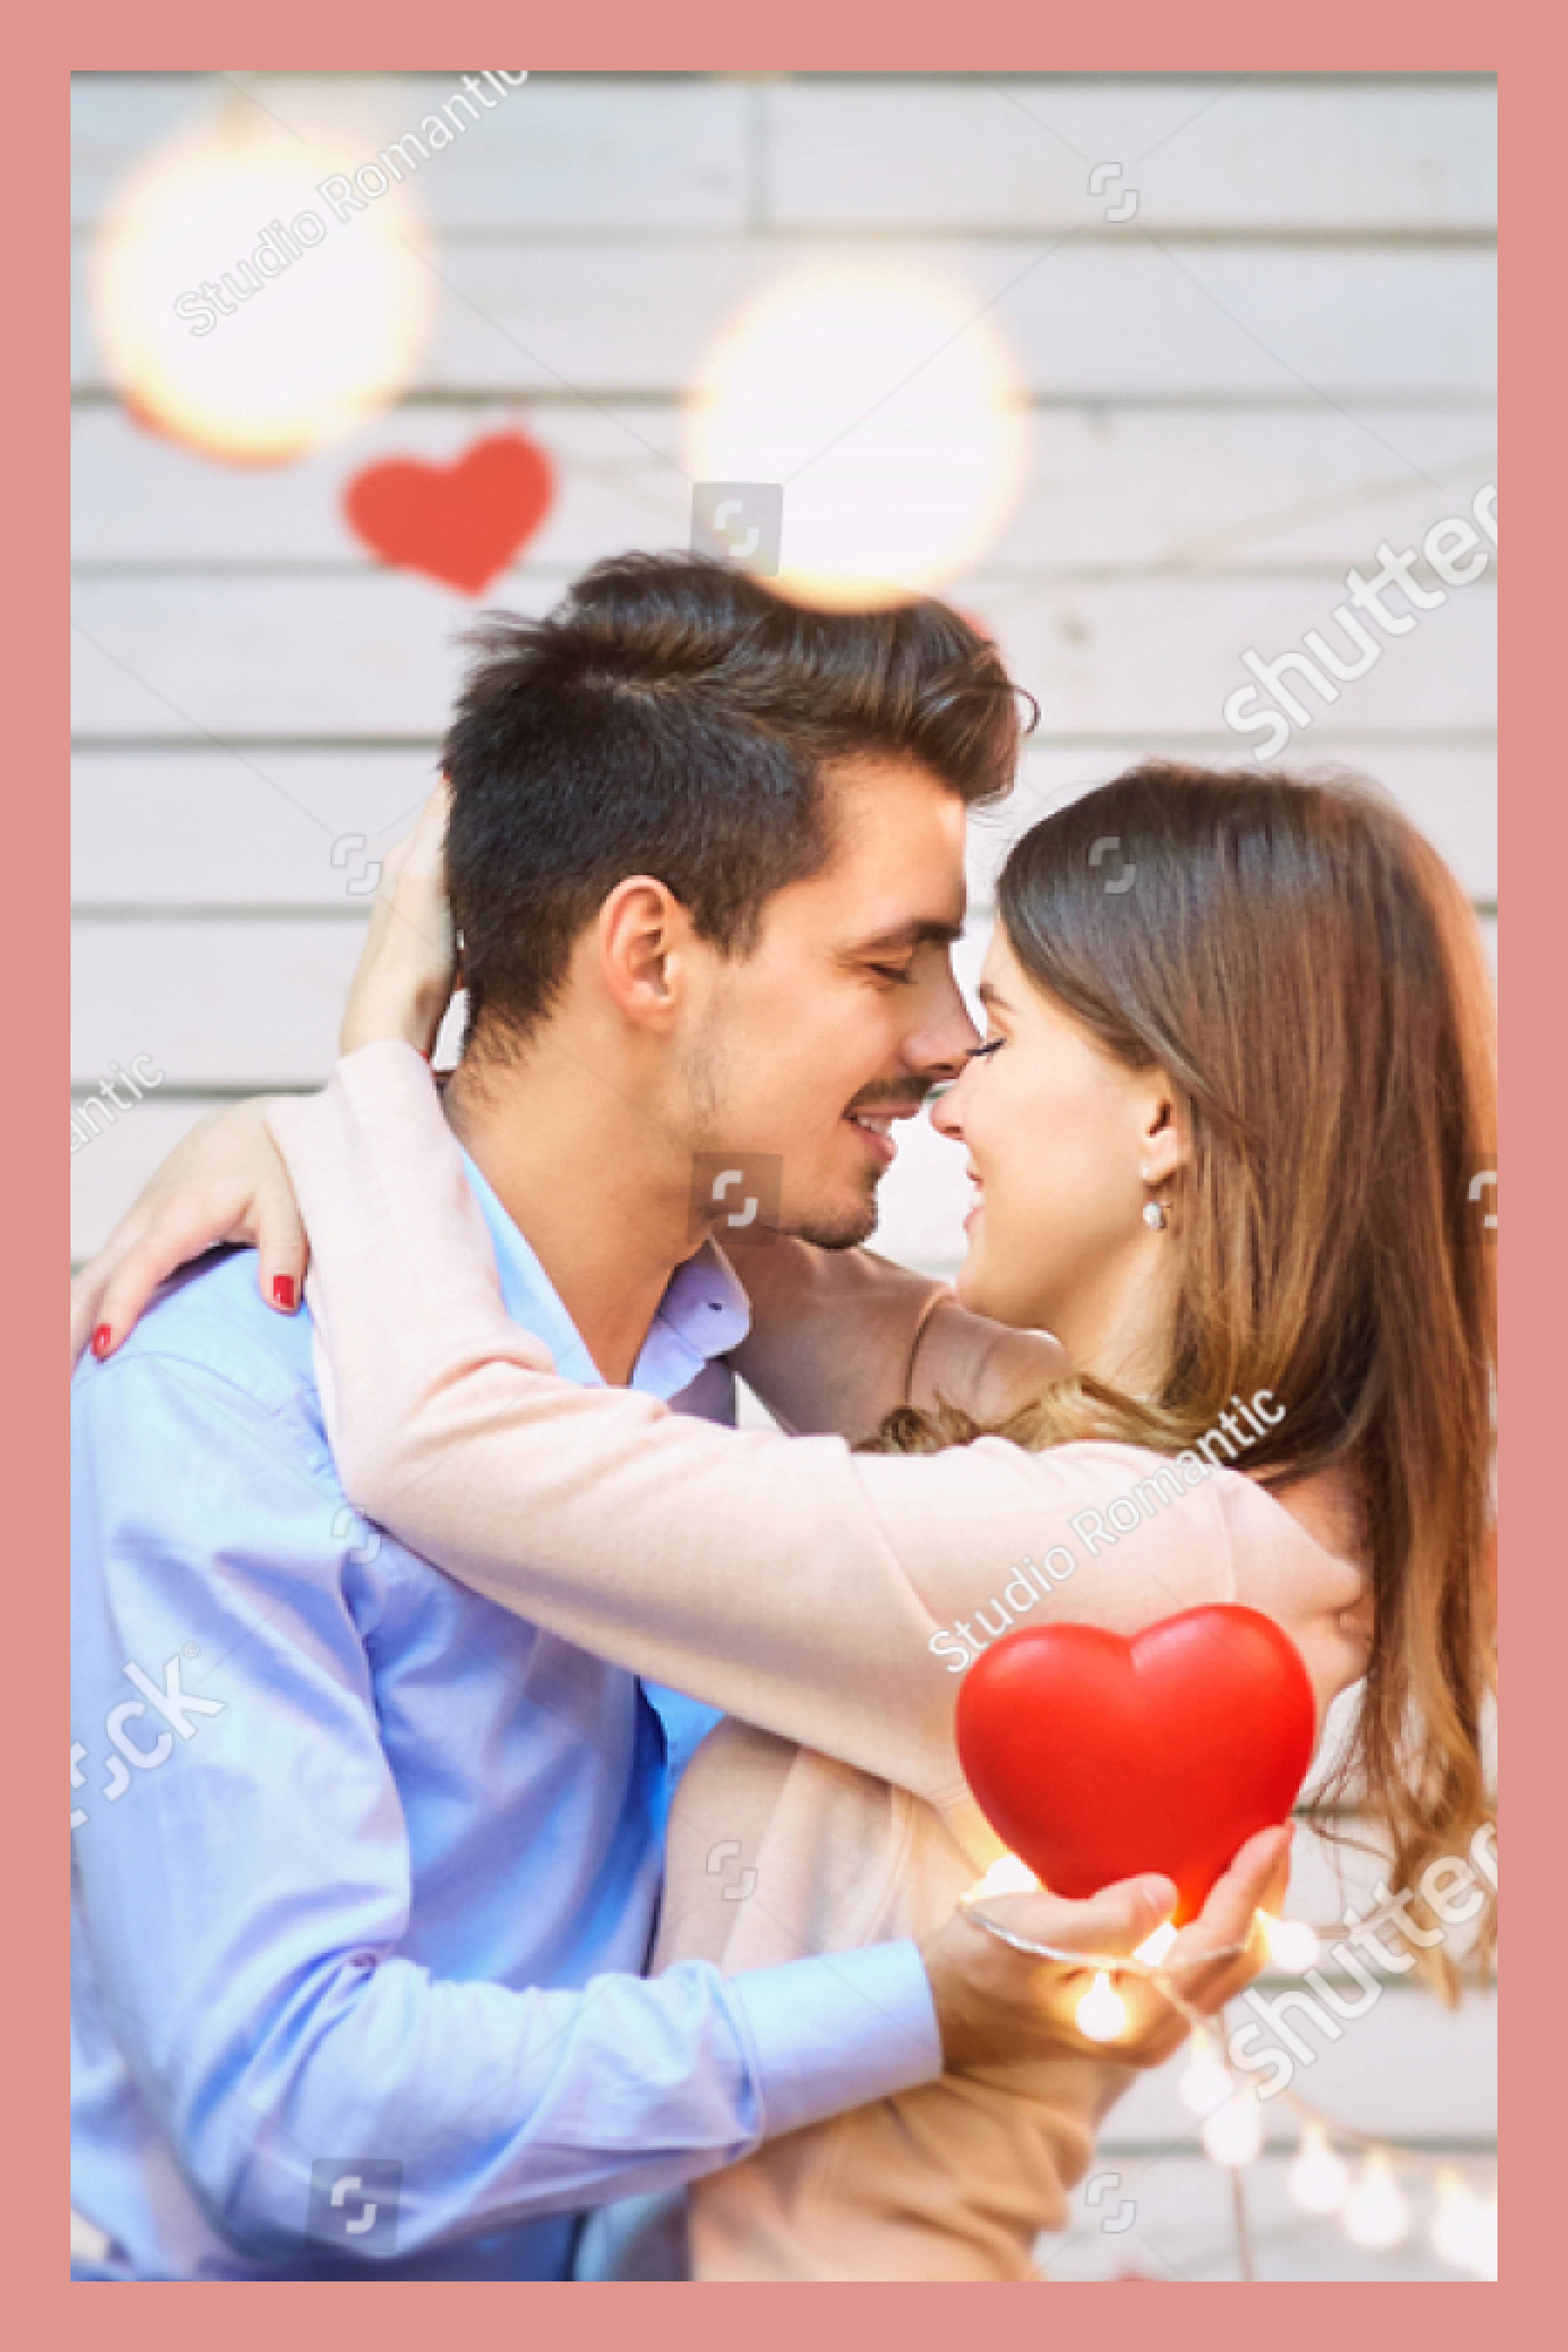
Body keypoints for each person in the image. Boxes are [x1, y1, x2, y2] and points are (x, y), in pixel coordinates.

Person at [75, 664, 1497, 2272]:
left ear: (1161, 1120)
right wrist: (309, 1139)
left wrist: (375, 1065)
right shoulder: (1129, 1451)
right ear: (652, 953)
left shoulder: (1133, 1548)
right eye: (899, 967)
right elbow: (732, 1230)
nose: (948, 1059)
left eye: (999, 1019)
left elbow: (447, 1443)